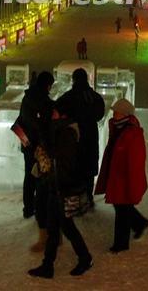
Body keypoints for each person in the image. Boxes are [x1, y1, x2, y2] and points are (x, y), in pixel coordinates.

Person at [27, 102, 93, 279]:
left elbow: (61, 159)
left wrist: (45, 139)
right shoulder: (59, 130)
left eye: (55, 112)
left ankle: (85, 258)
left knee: (67, 227)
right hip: (55, 186)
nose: (52, 114)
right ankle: (48, 265)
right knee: (54, 229)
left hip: (62, 187)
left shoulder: (68, 133)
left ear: (63, 115)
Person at [95, 98, 148, 254]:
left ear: (124, 114)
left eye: (116, 112)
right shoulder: (118, 127)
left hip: (123, 178)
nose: (113, 114)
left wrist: (132, 183)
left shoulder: (132, 133)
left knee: (121, 210)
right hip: (116, 176)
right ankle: (140, 223)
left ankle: (121, 243)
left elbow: (135, 160)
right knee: (121, 206)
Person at [56, 68, 105, 209]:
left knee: (74, 169)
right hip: (90, 136)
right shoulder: (94, 97)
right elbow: (99, 114)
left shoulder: (68, 97)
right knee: (88, 170)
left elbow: (57, 110)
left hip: (73, 139)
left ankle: (75, 201)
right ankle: (88, 198)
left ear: (73, 80)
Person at [16, 71, 54, 228]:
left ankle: (28, 208)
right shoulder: (43, 100)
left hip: (27, 143)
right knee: (41, 177)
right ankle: (39, 209)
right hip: (39, 145)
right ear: (47, 85)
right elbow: (42, 124)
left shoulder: (27, 97)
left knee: (29, 176)